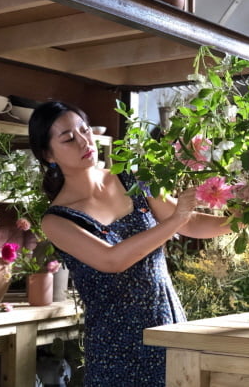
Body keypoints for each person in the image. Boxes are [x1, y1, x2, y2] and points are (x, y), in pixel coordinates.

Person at [28, 101, 232, 386]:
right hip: (116, 348)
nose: (84, 141)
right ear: (48, 155)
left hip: (168, 324)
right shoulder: (57, 220)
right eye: (68, 139)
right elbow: (112, 260)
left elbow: (191, 221)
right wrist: (175, 221)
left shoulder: (129, 178)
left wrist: (241, 219)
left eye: (85, 130)